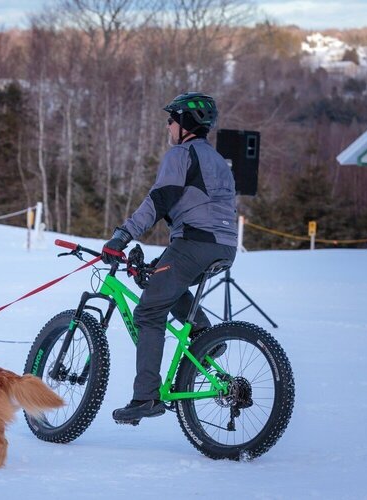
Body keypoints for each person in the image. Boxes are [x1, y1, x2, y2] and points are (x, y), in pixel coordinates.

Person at [102, 92, 238, 423]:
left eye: (172, 119)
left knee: (148, 312)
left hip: (193, 242)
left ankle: (146, 397)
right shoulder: (218, 160)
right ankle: (204, 337)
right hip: (223, 246)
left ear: (185, 124)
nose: (168, 125)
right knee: (160, 280)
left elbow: (158, 200)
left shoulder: (181, 153)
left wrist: (122, 236)